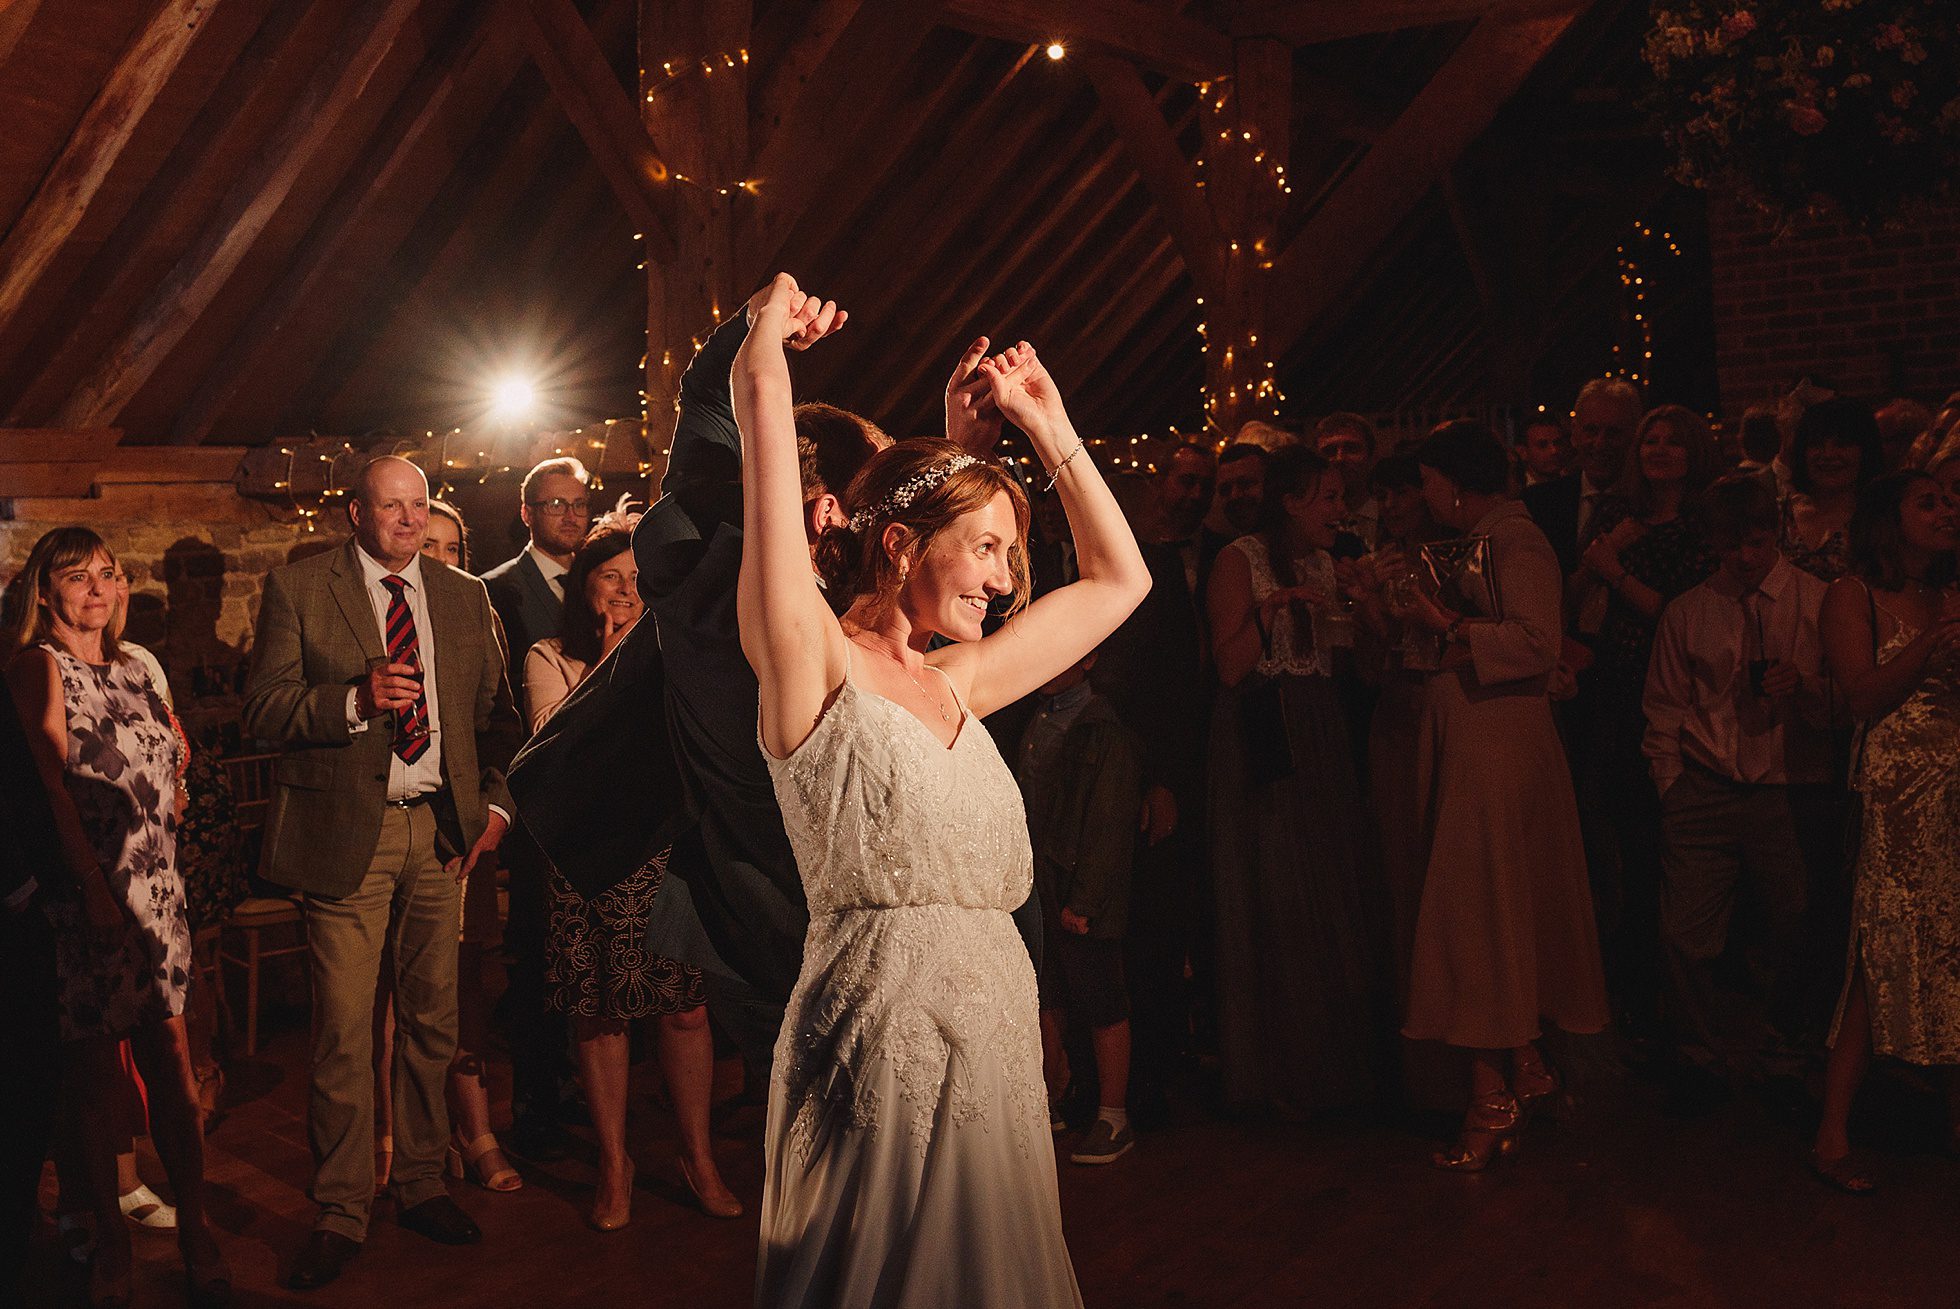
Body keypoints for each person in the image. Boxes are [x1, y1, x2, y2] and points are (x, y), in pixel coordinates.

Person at [738, 276, 1149, 1306]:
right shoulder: (812, 666)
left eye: (1010, 553)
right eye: (989, 550)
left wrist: (1044, 424)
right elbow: (774, 515)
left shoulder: (959, 681)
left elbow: (1119, 580)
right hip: (877, 1045)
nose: (1006, 581)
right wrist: (763, 355)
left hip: (997, 1044)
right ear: (897, 543)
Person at [242, 456, 521, 1290]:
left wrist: (496, 809)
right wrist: (354, 701)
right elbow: (263, 708)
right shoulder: (301, 588)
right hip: (345, 837)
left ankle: (422, 1182)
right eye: (391, 506)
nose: (408, 520)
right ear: (355, 514)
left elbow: (500, 719)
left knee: (434, 1022)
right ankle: (340, 1208)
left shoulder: (465, 596)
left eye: (419, 506)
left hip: (440, 834)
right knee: (343, 1031)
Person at [3, 527, 229, 1307]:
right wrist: (92, 885)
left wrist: (175, 785)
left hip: (158, 889)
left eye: (108, 573)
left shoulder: (136, 666)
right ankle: (112, 1237)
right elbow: (48, 785)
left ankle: (196, 1226)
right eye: (79, 576)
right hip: (90, 894)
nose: (98, 588)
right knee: (96, 1080)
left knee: (173, 1063)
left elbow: (170, 753)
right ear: (45, 592)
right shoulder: (38, 667)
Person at [1378, 422, 1609, 1170]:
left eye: (1427, 483)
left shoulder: (1516, 540)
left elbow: (1538, 641)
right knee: (1491, 901)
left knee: (1475, 906)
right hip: (1473, 737)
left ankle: (1491, 1093)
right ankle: (1525, 1063)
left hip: (1496, 747)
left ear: (1451, 482)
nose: (1423, 497)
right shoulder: (1473, 541)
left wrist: (1442, 621)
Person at [525, 520, 740, 1228]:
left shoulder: (678, 654)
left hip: (663, 851)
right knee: (599, 1010)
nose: (624, 590)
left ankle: (697, 1157)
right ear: (583, 587)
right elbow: (550, 744)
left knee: (684, 1008)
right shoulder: (550, 656)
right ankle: (615, 1163)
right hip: (585, 854)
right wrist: (611, 661)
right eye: (609, 577)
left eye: (636, 579)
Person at [1206, 446, 1383, 1113]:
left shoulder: (1331, 564)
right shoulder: (1240, 559)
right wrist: (1272, 608)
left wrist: (1369, 607)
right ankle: (1281, 1074)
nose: (1340, 510)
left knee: (1331, 887)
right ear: (1290, 502)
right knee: (1277, 889)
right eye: (1327, 498)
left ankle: (1337, 1067)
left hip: (1322, 731)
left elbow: (1365, 668)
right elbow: (1230, 667)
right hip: (1265, 733)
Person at [1642, 477, 1833, 1080]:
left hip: (1787, 786)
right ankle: (1700, 1054)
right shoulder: (1689, 611)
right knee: (1684, 933)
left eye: (1756, 543)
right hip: (1707, 785)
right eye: (1731, 546)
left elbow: (1846, 702)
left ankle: (1785, 1048)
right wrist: (1672, 786)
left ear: (1775, 534)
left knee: (1796, 927)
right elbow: (1664, 706)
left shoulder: (1819, 602)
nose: (1745, 558)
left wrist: (1803, 687)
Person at [1810, 471, 1960, 1193]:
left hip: (1956, 788)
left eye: (1951, 500)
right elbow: (1862, 695)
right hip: (1899, 794)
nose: (1947, 510)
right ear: (1887, 518)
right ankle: (1832, 1132)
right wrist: (1930, 642)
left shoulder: (1951, 592)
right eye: (1928, 501)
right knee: (1882, 948)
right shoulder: (1854, 594)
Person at [374, 498, 518, 1198]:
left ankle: (475, 1128)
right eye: (425, 544)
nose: (437, 558)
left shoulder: (473, 610)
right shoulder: (376, 611)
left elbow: (500, 724)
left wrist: (496, 810)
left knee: (462, 987)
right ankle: (394, 1136)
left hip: (459, 830)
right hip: (387, 824)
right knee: (386, 995)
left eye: (451, 547)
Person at [1568, 404, 1719, 1029]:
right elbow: (1573, 595)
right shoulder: (1616, 514)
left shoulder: (1701, 524)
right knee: (1615, 840)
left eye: (1672, 441)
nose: (1658, 450)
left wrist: (1616, 571)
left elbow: (1678, 614)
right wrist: (1597, 564)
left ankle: (1667, 993)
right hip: (1610, 688)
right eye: (1650, 440)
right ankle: (1625, 985)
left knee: (1660, 842)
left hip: (1673, 692)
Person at [1091, 441, 1216, 1118]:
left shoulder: (1155, 569)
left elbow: (1171, 684)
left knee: (1152, 927)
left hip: (1143, 772)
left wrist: (1160, 778)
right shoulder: (1070, 566)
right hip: (1093, 770)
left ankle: (1149, 1083)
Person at [481, 458, 590, 1160]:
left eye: (579, 503)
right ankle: (534, 1102)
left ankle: (582, 1084)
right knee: (536, 949)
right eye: (555, 504)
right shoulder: (498, 590)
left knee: (590, 951)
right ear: (527, 512)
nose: (571, 515)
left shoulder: (608, 577)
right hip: (533, 794)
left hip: (596, 795)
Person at [1015, 648, 1143, 1164]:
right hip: (1040, 884)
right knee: (1047, 995)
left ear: (1089, 659)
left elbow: (1108, 822)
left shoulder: (1101, 728)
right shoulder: (1039, 717)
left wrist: (1085, 900)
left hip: (1078, 889)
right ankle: (1053, 1098)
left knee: (1102, 998)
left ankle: (1113, 1115)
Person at [1523, 376, 1644, 578]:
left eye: (1613, 433)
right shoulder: (1536, 503)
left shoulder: (1649, 506)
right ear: (1574, 433)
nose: (1599, 443)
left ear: (1634, 435)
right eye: (1591, 430)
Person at [1780, 398, 1884, 583]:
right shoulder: (1777, 516)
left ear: (1865, 451)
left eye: (1842, 444)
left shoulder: (1881, 519)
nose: (1828, 454)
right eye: (1816, 444)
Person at [1316, 412, 1381, 548]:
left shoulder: (1395, 514)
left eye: (1351, 449)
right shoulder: (1308, 524)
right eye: (1329, 451)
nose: (1340, 458)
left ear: (1372, 456)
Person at [1202, 442, 1266, 562]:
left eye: (1245, 484)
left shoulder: (1299, 546)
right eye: (1225, 489)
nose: (1234, 496)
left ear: (1270, 483)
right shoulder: (1218, 555)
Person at [1518, 414, 1572, 487]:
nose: (1554, 451)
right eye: (1542, 445)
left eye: (1558, 443)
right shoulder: (1516, 490)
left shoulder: (1574, 484)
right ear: (1523, 452)